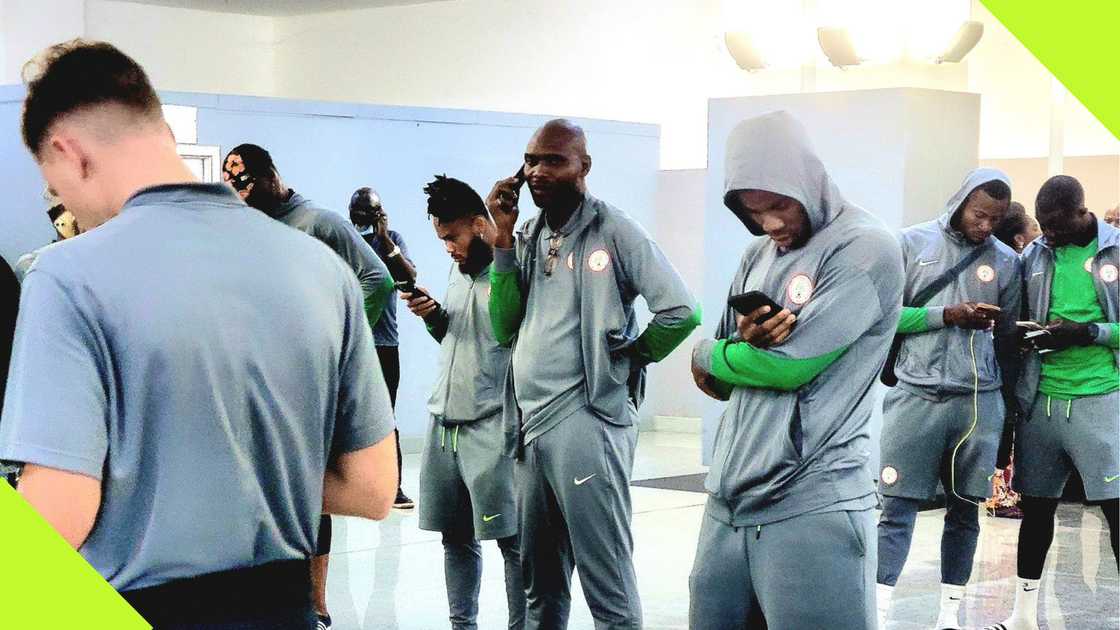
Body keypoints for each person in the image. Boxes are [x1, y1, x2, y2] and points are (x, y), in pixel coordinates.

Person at [0, 40, 398, 628]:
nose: (69, 212)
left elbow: (60, 513)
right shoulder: (321, 270)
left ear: (69, 153)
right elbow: (372, 487)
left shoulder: (66, 275)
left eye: (57, 191)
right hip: (286, 609)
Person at [688, 111, 904, 630]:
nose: (771, 223)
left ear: (809, 179)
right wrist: (721, 355)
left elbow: (789, 367)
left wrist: (704, 352)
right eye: (753, 211)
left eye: (779, 205)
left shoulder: (864, 247)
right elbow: (714, 382)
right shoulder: (754, 256)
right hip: (728, 501)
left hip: (812, 503)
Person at [488, 119, 700, 629]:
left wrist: (627, 359)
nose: (538, 171)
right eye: (531, 160)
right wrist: (500, 240)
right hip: (529, 426)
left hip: (587, 420)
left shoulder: (615, 230)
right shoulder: (529, 234)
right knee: (538, 582)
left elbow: (682, 311)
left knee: (605, 578)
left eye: (554, 160)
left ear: (584, 165)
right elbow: (502, 325)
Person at [222, 144, 395, 630]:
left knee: (310, 488)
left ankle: (316, 604)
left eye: (247, 183)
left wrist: (331, 345)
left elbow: (377, 280)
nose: (242, 194)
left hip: (309, 384)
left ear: (271, 177)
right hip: (264, 379)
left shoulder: (319, 222)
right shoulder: (256, 225)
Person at [875, 169, 1020, 630]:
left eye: (994, 220)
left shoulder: (1006, 262)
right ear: (959, 201)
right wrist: (947, 315)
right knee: (896, 508)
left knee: (965, 512)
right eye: (979, 214)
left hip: (978, 402)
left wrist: (1010, 413)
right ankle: (876, 614)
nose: (985, 226)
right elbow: (882, 316)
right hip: (914, 396)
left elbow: (1011, 338)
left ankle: (950, 618)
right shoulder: (910, 244)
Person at [982, 175, 1119, 630]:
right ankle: (1021, 617)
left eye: (1057, 224)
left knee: (1116, 509)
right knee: (1035, 509)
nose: (1049, 233)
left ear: (1083, 211)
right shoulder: (1035, 256)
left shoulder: (1115, 251)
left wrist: (1088, 332)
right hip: (1040, 399)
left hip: (1100, 397)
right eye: (1043, 225)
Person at [401, 174, 525, 630]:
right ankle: (462, 626)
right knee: (455, 538)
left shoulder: (511, 276)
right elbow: (460, 338)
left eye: (452, 237)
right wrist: (436, 318)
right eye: (441, 239)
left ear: (478, 223)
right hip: (444, 427)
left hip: (491, 428)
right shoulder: (459, 270)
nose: (447, 248)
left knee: (510, 542)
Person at [350, 187, 417, 510]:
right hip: (351, 344)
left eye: (369, 215)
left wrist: (385, 240)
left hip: (384, 345)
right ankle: (347, 484)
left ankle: (395, 487)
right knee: (343, 417)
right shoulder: (344, 240)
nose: (362, 222)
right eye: (359, 216)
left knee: (386, 417)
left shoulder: (392, 240)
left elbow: (409, 280)